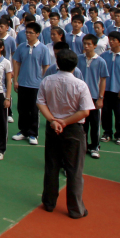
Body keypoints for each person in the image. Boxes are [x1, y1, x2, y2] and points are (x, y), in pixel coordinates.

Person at [37, 48, 94, 218]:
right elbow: (85, 112)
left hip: (53, 127)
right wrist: (65, 121)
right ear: (75, 66)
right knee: (74, 170)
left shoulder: (47, 81)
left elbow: (40, 102)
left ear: (57, 64)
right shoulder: (79, 84)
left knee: (52, 166)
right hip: (73, 129)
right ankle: (75, 209)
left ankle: (49, 202)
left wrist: (54, 121)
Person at [12, 21, 52, 146]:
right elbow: (17, 63)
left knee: (34, 110)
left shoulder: (43, 49)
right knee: (22, 108)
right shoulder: (21, 47)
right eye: (26, 32)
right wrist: (16, 80)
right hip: (22, 82)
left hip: (36, 84)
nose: (28, 35)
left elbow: (46, 66)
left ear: (37, 34)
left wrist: (43, 83)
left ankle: (33, 133)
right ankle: (23, 131)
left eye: (31, 33)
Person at [76, 34, 107, 158]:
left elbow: (103, 80)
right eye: (85, 44)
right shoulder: (78, 59)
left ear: (95, 45)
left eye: (89, 44)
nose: (86, 46)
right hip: (80, 96)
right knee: (82, 123)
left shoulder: (101, 61)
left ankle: (94, 146)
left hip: (94, 96)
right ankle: (82, 146)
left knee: (94, 123)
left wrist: (101, 97)